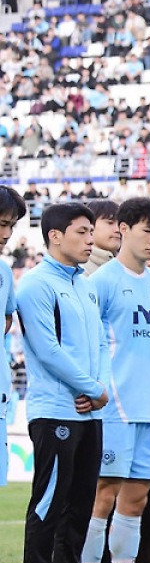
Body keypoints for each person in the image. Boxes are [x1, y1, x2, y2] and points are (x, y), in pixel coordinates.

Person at [82, 198, 150, 563]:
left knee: (138, 500)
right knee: (102, 497)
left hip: (149, 409)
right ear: (124, 229)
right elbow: (86, 342)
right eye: (147, 230)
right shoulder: (100, 282)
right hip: (113, 408)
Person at [17, 203, 106, 563]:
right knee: (48, 506)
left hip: (90, 414)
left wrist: (98, 388)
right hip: (55, 412)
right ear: (55, 236)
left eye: (91, 231)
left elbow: (101, 343)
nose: (90, 239)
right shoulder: (36, 285)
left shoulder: (85, 286)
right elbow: (47, 349)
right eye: (82, 231)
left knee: (80, 510)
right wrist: (90, 388)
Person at [0, 187, 24, 493]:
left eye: (10, 225)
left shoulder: (5, 273)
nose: (5, 233)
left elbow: (7, 319)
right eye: (0, 223)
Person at [83, 200, 121, 276]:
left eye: (120, 224)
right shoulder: (79, 271)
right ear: (90, 226)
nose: (118, 230)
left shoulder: (127, 267)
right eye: (110, 223)